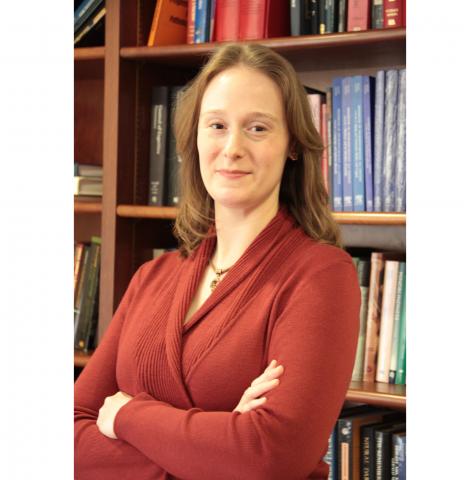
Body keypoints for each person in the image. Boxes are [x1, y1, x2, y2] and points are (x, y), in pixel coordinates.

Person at [74, 43, 360, 480]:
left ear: (293, 146)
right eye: (217, 125)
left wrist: (128, 416)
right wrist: (219, 445)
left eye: (258, 128)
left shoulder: (320, 276)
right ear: (194, 139)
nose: (232, 148)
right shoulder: (152, 277)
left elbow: (272, 457)